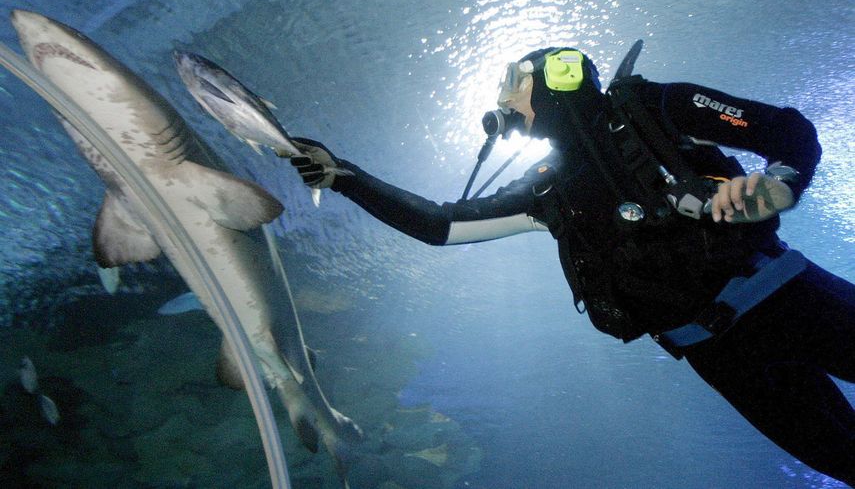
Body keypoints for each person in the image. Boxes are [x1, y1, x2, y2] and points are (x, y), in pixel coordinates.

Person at [287, 44, 855, 485]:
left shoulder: (653, 108)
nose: (504, 100)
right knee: (845, 461)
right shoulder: (546, 188)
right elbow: (441, 225)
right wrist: (345, 177)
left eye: (514, 82)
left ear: (559, 73)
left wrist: (780, 183)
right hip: (723, 358)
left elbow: (788, 133)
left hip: (790, 296)